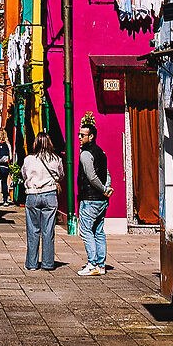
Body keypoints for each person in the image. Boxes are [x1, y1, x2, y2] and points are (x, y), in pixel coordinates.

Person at [20, 130, 63, 271]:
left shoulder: (28, 159)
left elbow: (24, 174)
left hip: (32, 195)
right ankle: (48, 263)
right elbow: (61, 175)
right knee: (48, 230)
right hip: (50, 195)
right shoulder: (56, 159)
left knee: (33, 230)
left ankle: (32, 264)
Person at [75, 117, 112, 276]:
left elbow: (92, 177)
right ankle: (101, 265)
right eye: (79, 134)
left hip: (90, 199)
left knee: (86, 231)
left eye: (82, 135)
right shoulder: (101, 152)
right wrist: (107, 188)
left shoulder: (85, 154)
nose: (79, 138)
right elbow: (107, 173)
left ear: (91, 136)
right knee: (98, 231)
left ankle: (92, 263)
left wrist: (103, 188)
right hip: (101, 200)